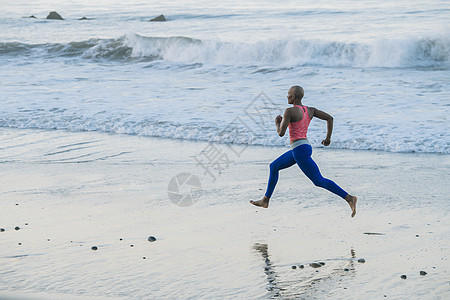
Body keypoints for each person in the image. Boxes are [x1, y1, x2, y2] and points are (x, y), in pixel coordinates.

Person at [250, 86, 357, 217]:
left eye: (288, 94)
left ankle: (349, 198)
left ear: (293, 97)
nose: (287, 96)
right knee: (274, 166)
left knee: (319, 181)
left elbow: (281, 133)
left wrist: (277, 123)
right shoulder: (310, 110)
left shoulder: (289, 112)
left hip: (299, 151)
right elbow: (330, 118)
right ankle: (265, 200)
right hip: (303, 147)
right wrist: (328, 138)